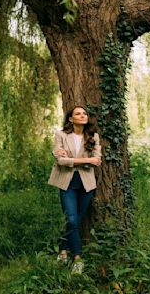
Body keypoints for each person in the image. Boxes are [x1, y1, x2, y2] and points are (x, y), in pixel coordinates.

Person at [48, 106, 102, 274]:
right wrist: (86, 160)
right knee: (71, 219)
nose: (82, 115)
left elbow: (97, 161)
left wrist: (71, 159)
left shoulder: (93, 136)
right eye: (78, 113)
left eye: (84, 113)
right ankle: (78, 258)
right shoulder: (61, 135)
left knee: (76, 220)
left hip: (86, 183)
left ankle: (63, 251)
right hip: (67, 182)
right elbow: (61, 162)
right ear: (71, 119)